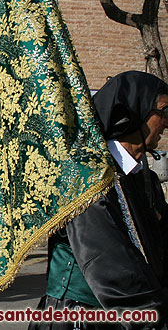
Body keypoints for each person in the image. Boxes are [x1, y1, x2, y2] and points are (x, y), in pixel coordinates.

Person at [30, 70, 168, 330]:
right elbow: (108, 265)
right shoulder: (87, 178)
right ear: (134, 110)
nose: (167, 123)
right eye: (164, 111)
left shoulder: (143, 179)